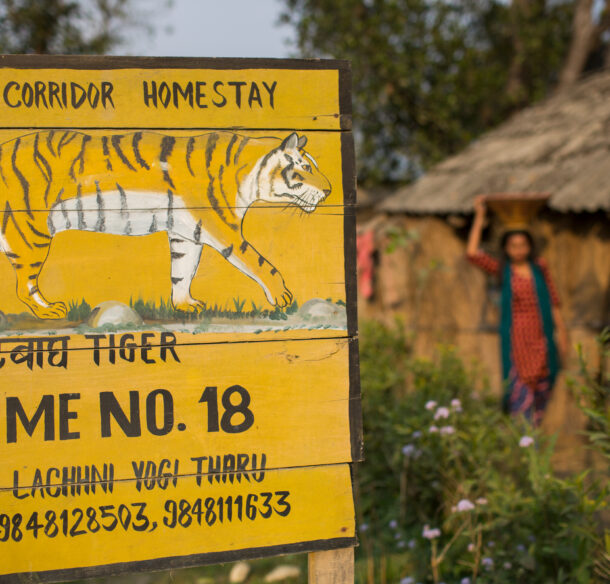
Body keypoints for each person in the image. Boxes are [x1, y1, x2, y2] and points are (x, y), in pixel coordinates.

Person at [466, 195, 568, 426]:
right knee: (519, 394)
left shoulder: (540, 267)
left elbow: (553, 301)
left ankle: (535, 445)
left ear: (530, 246)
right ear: (506, 248)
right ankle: (522, 445)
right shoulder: (503, 269)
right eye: (514, 246)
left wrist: (562, 334)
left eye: (523, 245)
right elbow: (472, 254)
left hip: (541, 340)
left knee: (542, 391)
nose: (519, 250)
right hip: (517, 342)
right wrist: (480, 216)